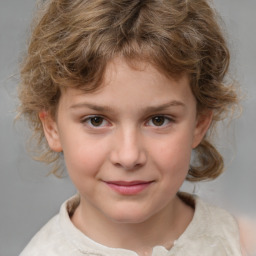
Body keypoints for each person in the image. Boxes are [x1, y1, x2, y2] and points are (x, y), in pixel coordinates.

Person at [18, 0, 243, 255]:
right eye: (96, 120)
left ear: (199, 124)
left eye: (159, 120)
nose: (128, 156)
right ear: (52, 128)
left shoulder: (239, 242)